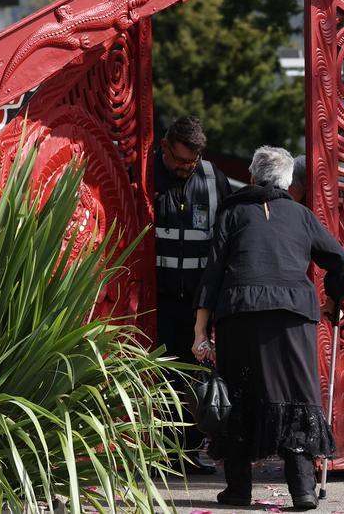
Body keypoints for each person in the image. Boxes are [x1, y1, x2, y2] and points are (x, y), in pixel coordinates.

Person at [192, 146, 344, 509]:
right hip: (293, 314)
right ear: (287, 182)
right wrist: (332, 302)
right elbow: (341, 261)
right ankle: (302, 491)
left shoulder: (232, 213)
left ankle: (238, 490)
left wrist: (200, 331)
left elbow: (213, 272)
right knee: (295, 395)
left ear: (252, 176)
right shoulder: (301, 215)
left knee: (238, 395)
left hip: (240, 311)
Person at [153, 115, 231, 475]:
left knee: (196, 377)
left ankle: (188, 452)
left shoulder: (214, 179)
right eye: (180, 161)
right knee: (160, 377)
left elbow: (227, 237)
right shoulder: (146, 173)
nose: (186, 168)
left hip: (200, 302)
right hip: (156, 299)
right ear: (165, 146)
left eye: (192, 163)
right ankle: (158, 453)